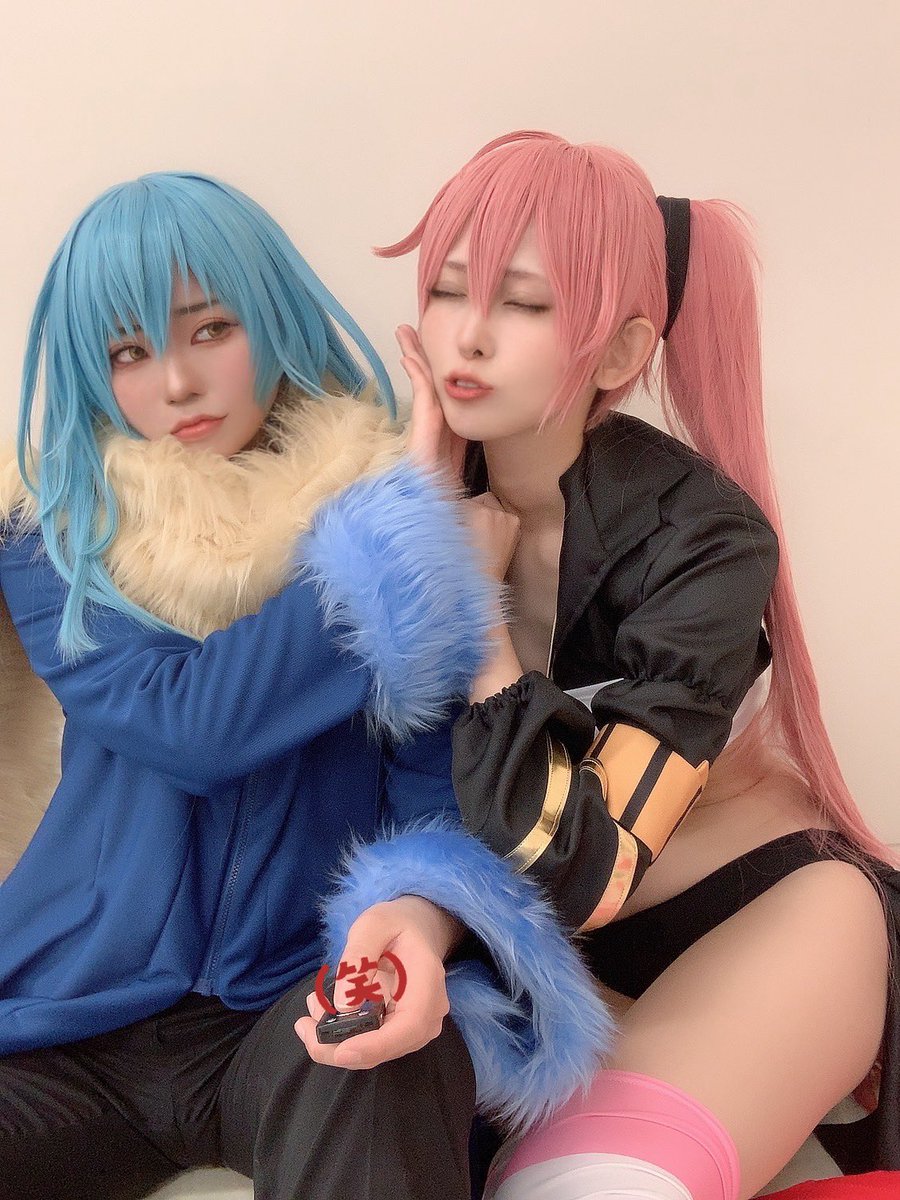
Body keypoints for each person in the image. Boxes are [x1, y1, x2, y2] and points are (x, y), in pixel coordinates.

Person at [0, 170, 612, 1200]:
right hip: (74, 1013)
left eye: (210, 330)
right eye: (128, 353)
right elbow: (187, 725)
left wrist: (416, 923)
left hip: (296, 999)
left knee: (386, 1064)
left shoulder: (388, 507)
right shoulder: (58, 530)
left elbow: (437, 780)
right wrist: (396, 544)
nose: (176, 384)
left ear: (270, 311)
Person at [379, 130, 900, 1200]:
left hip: (764, 912)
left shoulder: (706, 539)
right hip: (541, 944)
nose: (469, 334)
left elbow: (586, 868)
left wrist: (478, 621)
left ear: (618, 355)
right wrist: (407, 528)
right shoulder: (410, 493)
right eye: (450, 289)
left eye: (524, 303)